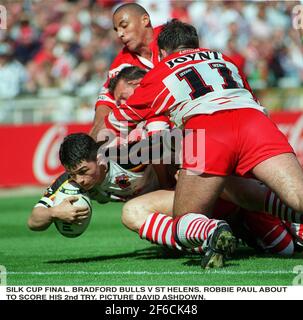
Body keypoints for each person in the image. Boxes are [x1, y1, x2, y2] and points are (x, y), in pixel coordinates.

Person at [105, 19, 303, 265]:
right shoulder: (225, 60)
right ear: (195, 45)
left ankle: (214, 230)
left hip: (206, 130)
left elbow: (118, 119)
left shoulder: (160, 70)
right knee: (298, 197)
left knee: (184, 221)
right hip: (255, 122)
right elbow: (249, 97)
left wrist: (105, 149)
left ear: (163, 52)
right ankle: (290, 222)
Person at [28, 133, 160, 231]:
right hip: (147, 203)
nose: (79, 180)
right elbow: (33, 221)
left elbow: (168, 149)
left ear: (98, 158)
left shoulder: (124, 154)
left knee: (132, 212)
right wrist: (54, 213)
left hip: (168, 191)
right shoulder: (69, 181)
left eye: (83, 171)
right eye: (72, 174)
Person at [90, 3, 162, 140]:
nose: (120, 34)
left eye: (124, 26)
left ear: (145, 20)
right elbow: (104, 111)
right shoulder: (120, 65)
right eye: (116, 30)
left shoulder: (170, 38)